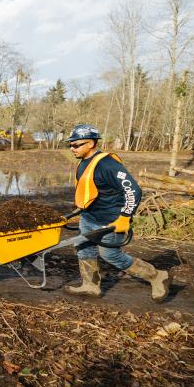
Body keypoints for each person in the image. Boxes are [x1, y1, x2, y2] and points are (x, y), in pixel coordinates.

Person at [62, 124, 170, 302]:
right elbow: (91, 191)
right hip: (89, 217)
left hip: (110, 221)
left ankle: (157, 276)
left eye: (76, 145)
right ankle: (91, 286)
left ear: (91, 143)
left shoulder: (107, 164)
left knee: (111, 255)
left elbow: (133, 191)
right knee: (83, 248)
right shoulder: (83, 162)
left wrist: (124, 217)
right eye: (70, 145)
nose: (72, 148)